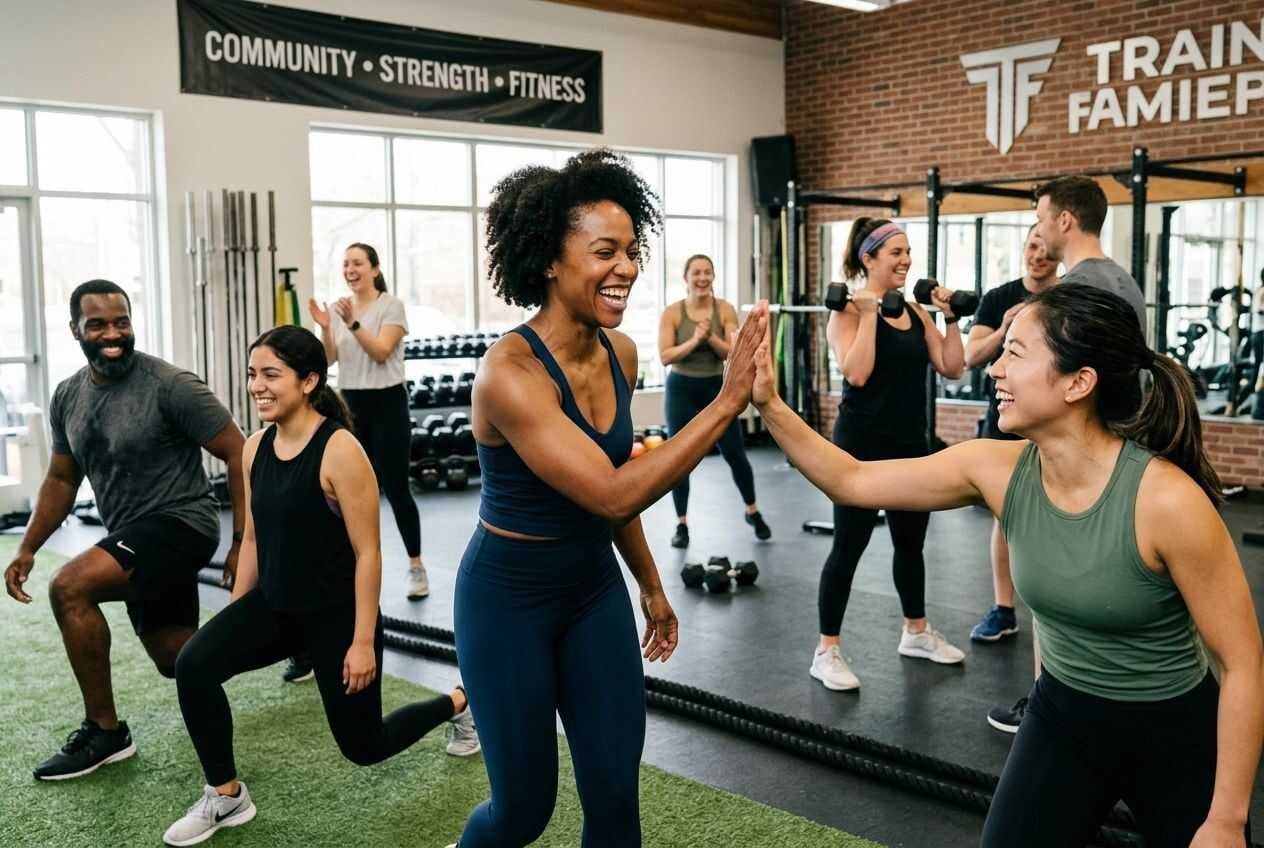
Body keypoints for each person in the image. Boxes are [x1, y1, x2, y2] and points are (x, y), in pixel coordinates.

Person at [752, 284, 1263, 848]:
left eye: (1015, 354)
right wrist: (769, 404)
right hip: (1063, 716)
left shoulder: (1166, 502)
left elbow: (1242, 664)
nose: (993, 369)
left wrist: (1226, 821)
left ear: (1078, 382)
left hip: (1170, 727)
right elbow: (853, 481)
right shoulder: (996, 469)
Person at [451, 149, 764, 848]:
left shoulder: (620, 353)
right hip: (508, 603)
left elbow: (613, 497)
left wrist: (651, 585)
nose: (625, 267)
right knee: (523, 811)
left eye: (631, 250)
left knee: (616, 796)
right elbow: (612, 487)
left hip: (592, 592)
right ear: (550, 261)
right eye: (604, 251)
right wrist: (726, 402)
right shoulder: (510, 373)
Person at [163, 325, 477, 847]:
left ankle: (461, 704)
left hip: (337, 616)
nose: (257, 386)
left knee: (365, 746)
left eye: (271, 375)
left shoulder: (340, 450)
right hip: (278, 606)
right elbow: (256, 541)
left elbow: (368, 553)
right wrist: (238, 618)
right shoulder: (255, 447)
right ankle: (226, 795)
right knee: (194, 665)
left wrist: (360, 642)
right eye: (251, 375)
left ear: (308, 381)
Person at [3, 279, 245, 781]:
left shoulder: (171, 385)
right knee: (176, 657)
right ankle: (296, 635)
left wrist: (244, 540)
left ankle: (105, 731)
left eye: (122, 322)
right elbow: (61, 477)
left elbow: (240, 452)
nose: (113, 334)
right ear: (76, 330)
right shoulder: (68, 395)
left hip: (183, 523)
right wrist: (28, 546)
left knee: (70, 587)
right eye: (98, 324)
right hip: (135, 534)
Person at [809, 218, 967, 694]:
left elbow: (952, 367)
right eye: (895, 252)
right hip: (860, 448)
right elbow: (856, 374)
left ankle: (915, 632)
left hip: (909, 445)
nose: (905, 260)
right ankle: (826, 650)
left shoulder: (917, 314)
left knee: (910, 543)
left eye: (907, 252)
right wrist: (873, 312)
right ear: (869, 259)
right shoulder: (848, 312)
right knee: (849, 546)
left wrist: (951, 316)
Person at [309, 243, 426, 601]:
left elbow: (381, 352)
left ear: (374, 269)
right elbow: (329, 360)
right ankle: (348, 568)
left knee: (395, 487)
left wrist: (351, 323)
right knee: (345, 492)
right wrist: (328, 328)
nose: (350, 269)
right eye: (345, 264)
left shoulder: (391, 306)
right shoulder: (340, 309)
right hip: (351, 403)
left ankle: (416, 567)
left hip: (388, 402)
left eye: (358, 263)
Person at [966, 226, 1057, 646]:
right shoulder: (999, 297)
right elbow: (972, 357)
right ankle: (1004, 609)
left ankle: (1057, 612)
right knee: (1007, 511)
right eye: (1031, 245)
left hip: (1055, 419)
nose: (1038, 254)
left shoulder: (1066, 298)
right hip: (1007, 416)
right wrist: (1006, 329)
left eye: (1045, 247)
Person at [658, 253, 770, 548]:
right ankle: (681, 524)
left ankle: (752, 510)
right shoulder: (672, 313)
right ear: (686, 278)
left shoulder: (724, 310)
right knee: (678, 461)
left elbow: (732, 354)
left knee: (735, 454)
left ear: (713, 277)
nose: (702, 278)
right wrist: (695, 340)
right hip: (681, 389)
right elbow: (665, 356)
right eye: (696, 273)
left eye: (707, 272)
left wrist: (709, 337)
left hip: (717, 390)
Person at [1033, 175, 1146, 328]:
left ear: (1064, 220)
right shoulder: (1127, 282)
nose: (1038, 231)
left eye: (1040, 220)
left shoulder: (1073, 290)